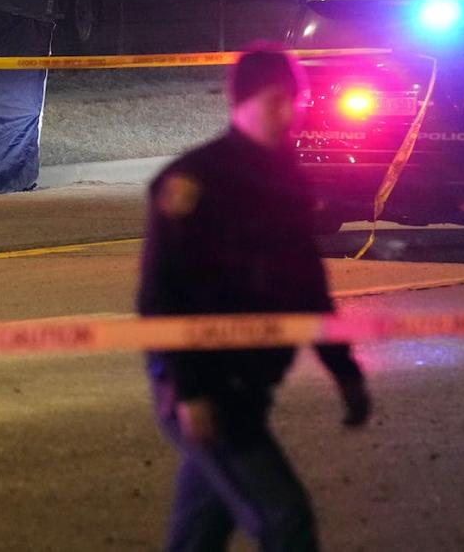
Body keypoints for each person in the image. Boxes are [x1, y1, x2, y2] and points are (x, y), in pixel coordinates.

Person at [137, 47, 371, 552]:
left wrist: (344, 370)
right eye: (275, 102)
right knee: (286, 520)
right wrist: (193, 392)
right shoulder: (193, 183)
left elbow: (307, 286)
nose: (290, 115)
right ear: (239, 103)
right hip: (205, 386)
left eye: (297, 101)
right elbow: (161, 297)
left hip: (249, 385)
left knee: (200, 532)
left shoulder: (285, 182)